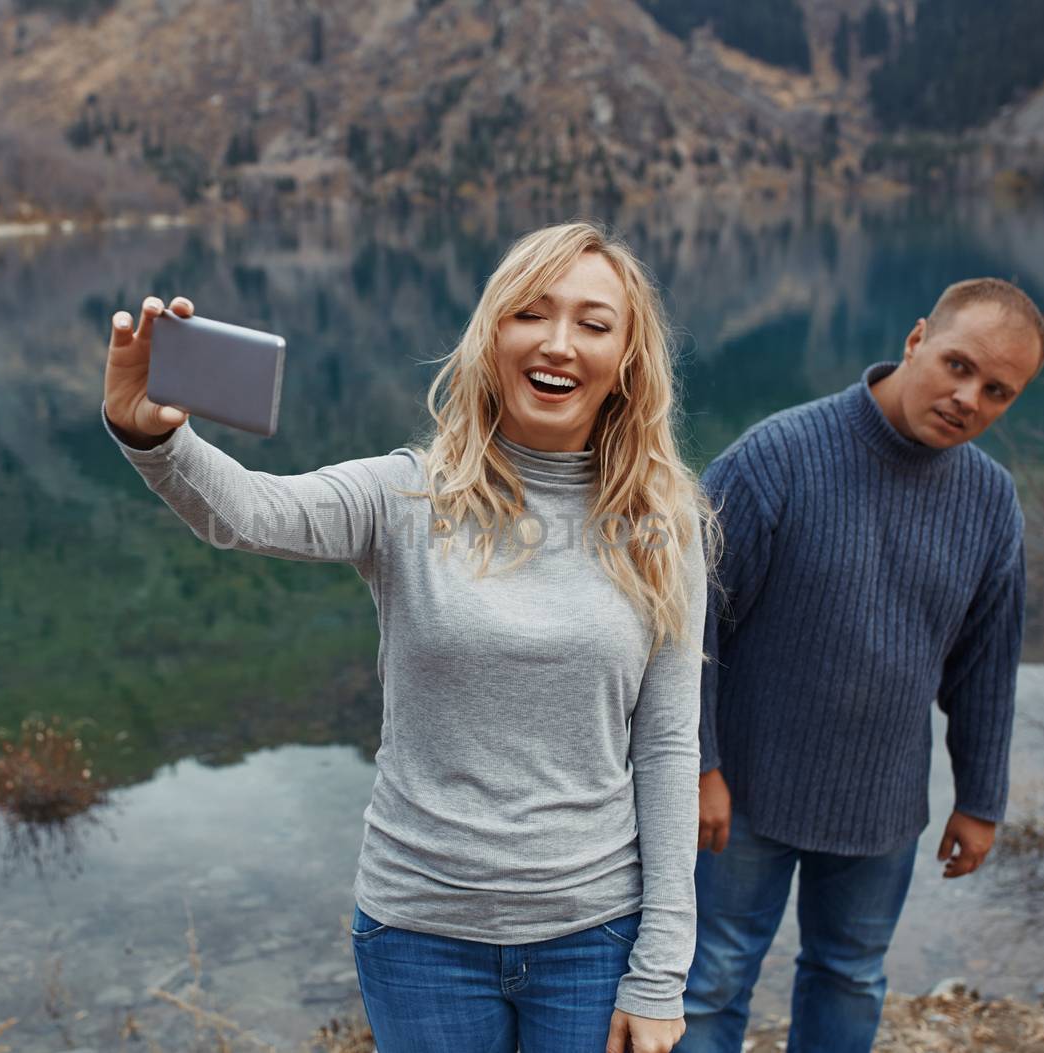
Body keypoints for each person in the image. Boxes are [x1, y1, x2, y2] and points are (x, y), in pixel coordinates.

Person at [102, 222, 719, 1053]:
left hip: (594, 933)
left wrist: (661, 969)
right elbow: (248, 511)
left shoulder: (662, 525)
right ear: (492, 335)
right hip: (421, 935)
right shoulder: (407, 496)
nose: (559, 343)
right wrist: (155, 436)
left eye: (594, 323)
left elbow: (671, 749)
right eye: (531, 313)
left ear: (630, 362)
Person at [680, 279, 1044, 1053]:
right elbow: (687, 623)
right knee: (709, 978)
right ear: (916, 339)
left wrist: (981, 798)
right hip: (741, 789)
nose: (966, 398)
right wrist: (699, 765)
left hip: (880, 800)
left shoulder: (991, 501)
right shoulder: (774, 456)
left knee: (850, 975)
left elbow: (986, 664)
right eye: (956, 364)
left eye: (996, 391)